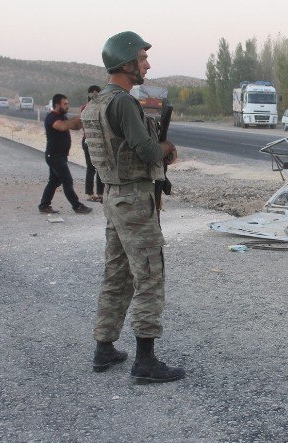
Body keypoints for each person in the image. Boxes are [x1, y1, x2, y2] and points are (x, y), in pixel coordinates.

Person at [81, 31, 182, 384]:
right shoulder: (123, 102)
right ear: (126, 63)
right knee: (149, 274)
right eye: (141, 58)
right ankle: (146, 360)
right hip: (135, 199)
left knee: (116, 273)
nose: (147, 64)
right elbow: (148, 152)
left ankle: (104, 348)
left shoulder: (96, 102)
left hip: (113, 196)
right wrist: (166, 146)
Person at [38, 94, 92, 214]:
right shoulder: (52, 117)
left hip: (59, 156)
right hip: (54, 156)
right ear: (57, 105)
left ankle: (44, 205)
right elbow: (62, 127)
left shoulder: (62, 117)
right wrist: (80, 116)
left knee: (54, 181)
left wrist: (84, 121)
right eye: (65, 104)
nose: (67, 106)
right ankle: (77, 206)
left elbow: (75, 126)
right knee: (67, 181)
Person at [81, 85, 104, 203]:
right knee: (91, 168)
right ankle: (91, 194)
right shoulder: (86, 108)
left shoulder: (99, 107)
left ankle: (99, 193)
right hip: (89, 141)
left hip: (96, 141)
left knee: (100, 168)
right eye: (94, 93)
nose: (96, 96)